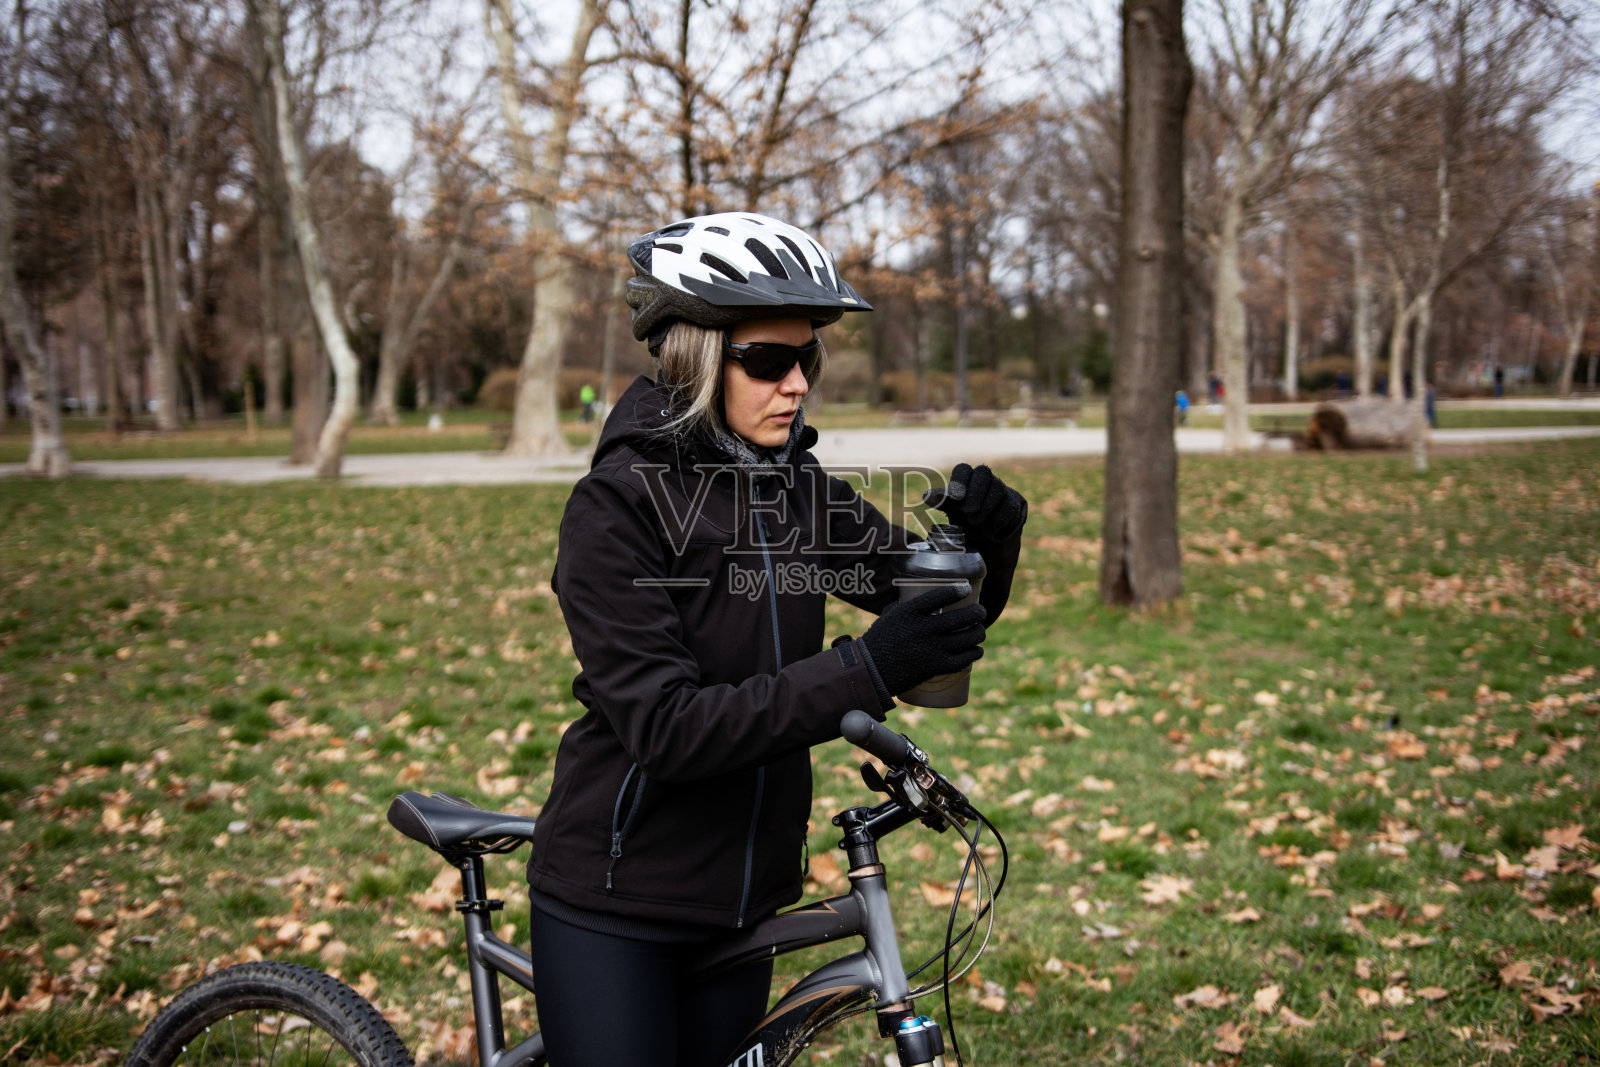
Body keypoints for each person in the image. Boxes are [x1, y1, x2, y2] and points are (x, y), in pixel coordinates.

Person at [523, 213, 1029, 1067]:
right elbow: (669, 728)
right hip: (617, 902)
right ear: (694, 355)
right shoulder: (615, 509)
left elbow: (918, 613)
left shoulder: (792, 486)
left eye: (808, 358)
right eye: (767, 360)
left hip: (744, 898)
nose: (796, 383)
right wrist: (866, 669)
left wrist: (984, 554)